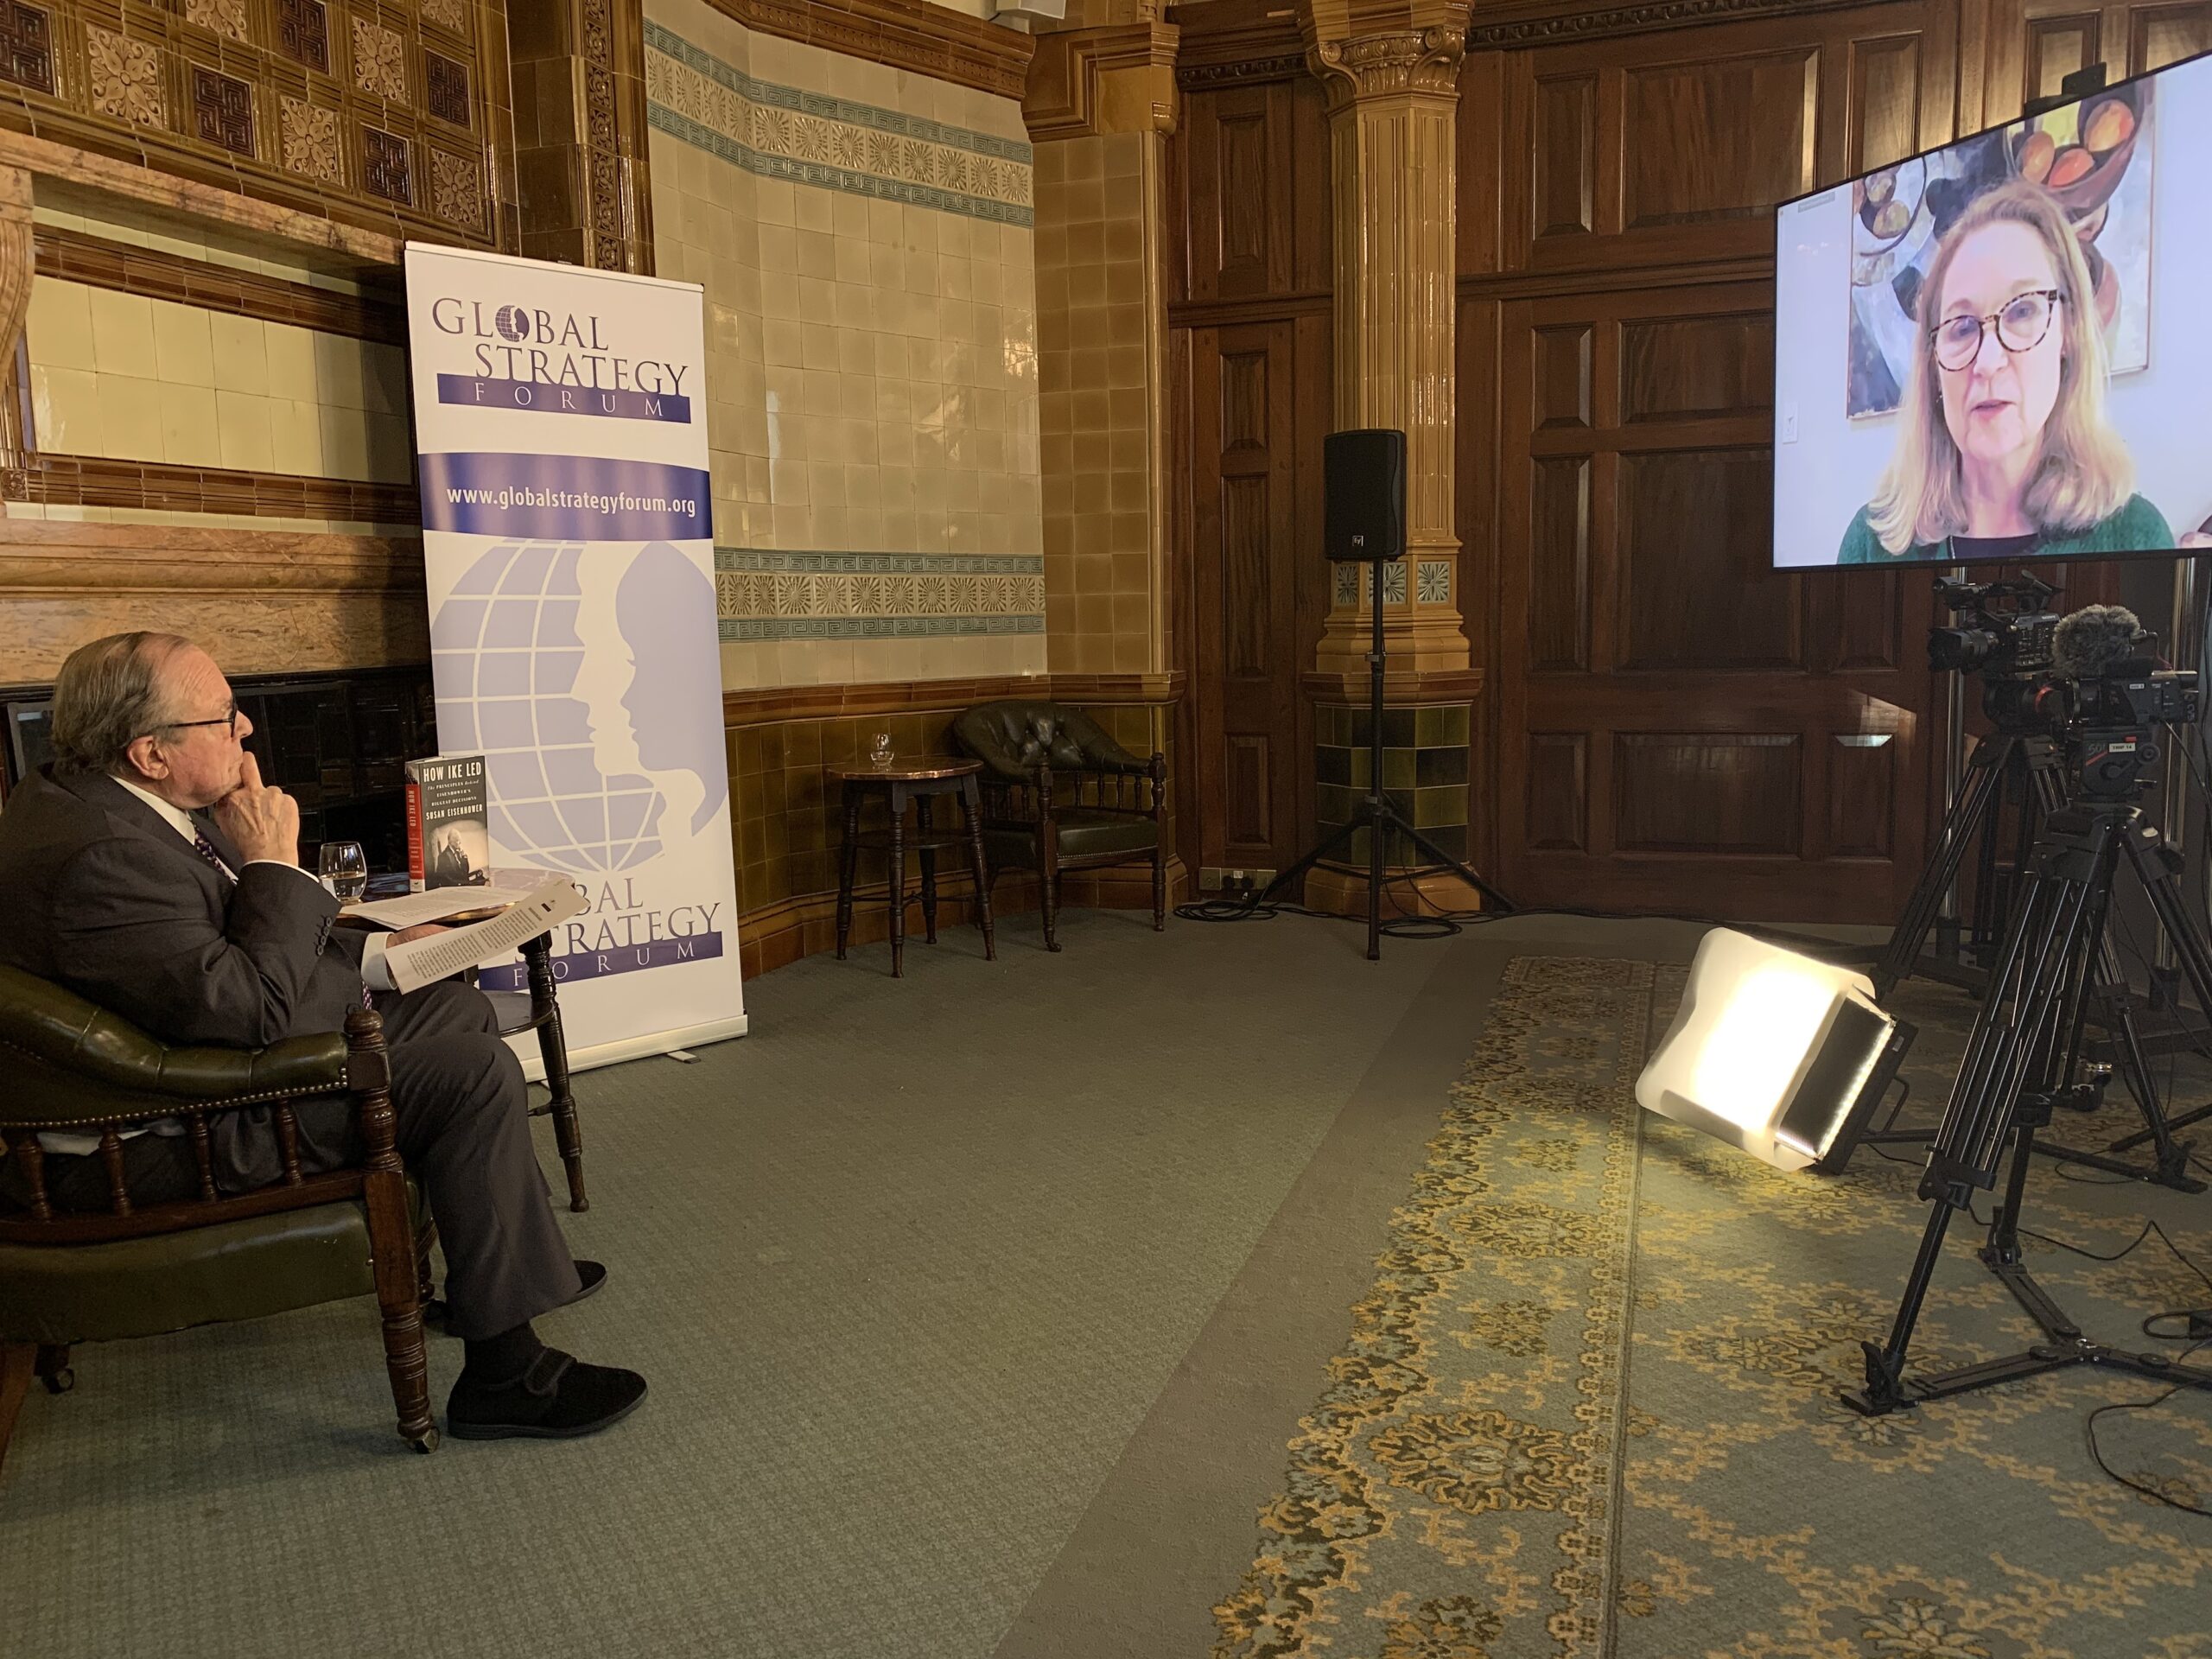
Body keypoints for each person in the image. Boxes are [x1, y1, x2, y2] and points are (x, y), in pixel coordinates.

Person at [0, 632, 646, 1441]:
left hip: (190, 1059)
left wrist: (382, 954)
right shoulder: (104, 857)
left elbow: (215, 959)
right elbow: (250, 1011)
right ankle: (507, 1375)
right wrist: (273, 861)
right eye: (223, 716)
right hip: (159, 1131)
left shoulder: (97, 800)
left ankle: (496, 1266)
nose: (245, 730)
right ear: (151, 753)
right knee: (471, 1071)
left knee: (453, 1007)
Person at [1838, 181, 2175, 564]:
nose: (1987, 362)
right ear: (1934, 365)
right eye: (1962, 327)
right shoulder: (1872, 545)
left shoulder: (2136, 539)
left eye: (2022, 311)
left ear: (2067, 334)